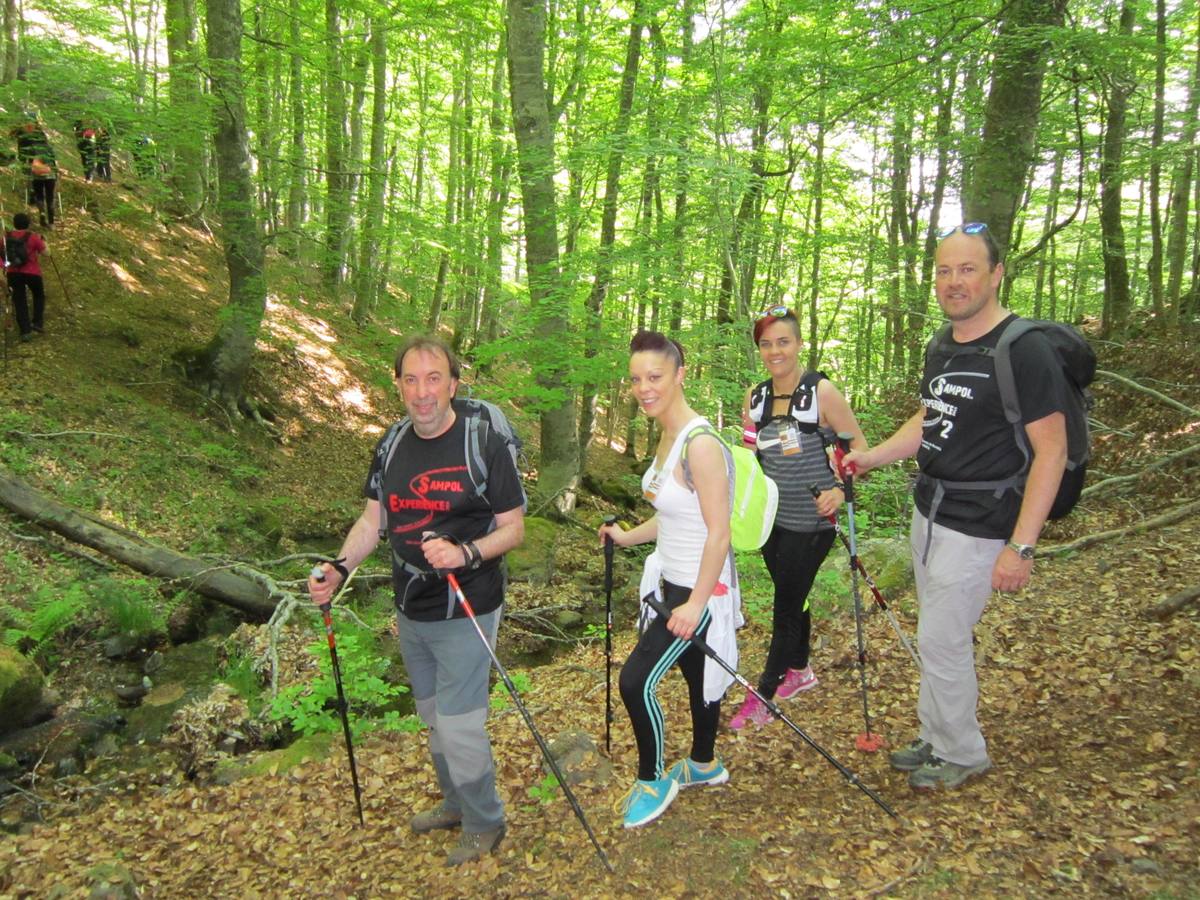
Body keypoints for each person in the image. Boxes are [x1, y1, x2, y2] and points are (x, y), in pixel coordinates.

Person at [843, 223, 1068, 790]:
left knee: (942, 638)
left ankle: (963, 752)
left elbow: (1052, 452)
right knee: (936, 635)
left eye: (967, 269)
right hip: (930, 511)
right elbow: (931, 418)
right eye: (944, 271)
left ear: (996, 274)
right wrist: (873, 458)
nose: (953, 281)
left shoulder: (1027, 349)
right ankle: (937, 734)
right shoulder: (943, 343)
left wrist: (1021, 545)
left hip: (982, 520)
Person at [308, 335, 525, 865]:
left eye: (434, 379)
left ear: (453, 384)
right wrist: (340, 567)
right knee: (432, 716)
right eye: (411, 379)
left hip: (468, 604)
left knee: (459, 723)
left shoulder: (483, 443)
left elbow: (514, 528)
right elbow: (372, 519)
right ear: (398, 385)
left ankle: (484, 821)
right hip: (412, 606)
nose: (422, 392)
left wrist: (466, 553)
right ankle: (455, 802)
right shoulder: (393, 443)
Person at [599, 330, 742, 829]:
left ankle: (654, 779)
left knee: (635, 681)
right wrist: (626, 537)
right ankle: (704, 764)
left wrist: (695, 605)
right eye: (636, 379)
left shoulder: (700, 444)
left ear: (680, 375)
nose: (644, 387)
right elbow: (675, 515)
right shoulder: (666, 433)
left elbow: (719, 534)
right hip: (670, 582)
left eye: (655, 376)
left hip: (698, 592)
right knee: (698, 678)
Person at [728, 306, 867, 729]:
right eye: (766, 344)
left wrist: (839, 490)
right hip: (771, 517)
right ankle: (801, 671)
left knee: (786, 604)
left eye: (783, 341)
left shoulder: (821, 393)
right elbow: (751, 457)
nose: (775, 351)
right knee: (796, 594)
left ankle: (764, 693)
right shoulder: (756, 398)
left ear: (799, 343)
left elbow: (857, 445)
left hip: (812, 519)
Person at [5, 212, 50, 343]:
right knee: (39, 295)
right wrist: (45, 243)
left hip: (13, 272)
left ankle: (25, 331)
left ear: (14, 223)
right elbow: (47, 253)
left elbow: (3, 256)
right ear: (28, 224)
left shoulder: (6, 237)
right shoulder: (34, 237)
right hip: (32, 272)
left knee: (19, 300)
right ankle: (37, 322)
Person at [13, 122, 57, 228]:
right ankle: (51, 222)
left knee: (40, 196)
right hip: (50, 176)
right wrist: (57, 176)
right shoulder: (50, 148)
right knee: (50, 198)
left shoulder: (32, 148)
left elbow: (26, 160)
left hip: (37, 176)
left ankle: (42, 215)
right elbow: (55, 164)